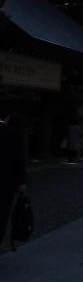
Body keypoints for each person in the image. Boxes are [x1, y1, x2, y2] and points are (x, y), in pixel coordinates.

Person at [1, 105, 27, 254]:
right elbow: (19, 159)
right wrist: (22, 181)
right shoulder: (13, 133)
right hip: (6, 181)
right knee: (2, 214)